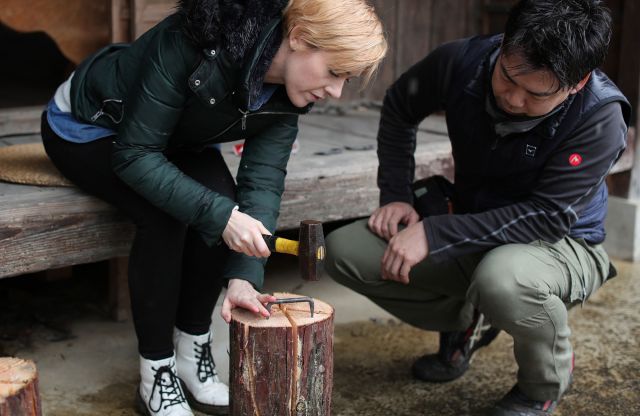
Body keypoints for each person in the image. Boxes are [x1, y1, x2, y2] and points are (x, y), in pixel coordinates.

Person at [40, 0, 386, 415]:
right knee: (167, 213)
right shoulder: (192, 39)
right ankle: (156, 373)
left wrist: (244, 274)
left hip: (171, 137)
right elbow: (134, 155)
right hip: (91, 125)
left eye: (345, 80)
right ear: (297, 39)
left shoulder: (291, 94)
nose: (335, 92)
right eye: (334, 73)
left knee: (218, 201)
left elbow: (262, 181)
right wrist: (221, 217)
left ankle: (192, 352)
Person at [325, 0, 629, 415]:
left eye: (536, 93)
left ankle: (541, 387)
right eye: (508, 77)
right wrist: (395, 193)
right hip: (470, 220)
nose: (514, 99)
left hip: (560, 242)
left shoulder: (600, 116)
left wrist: (434, 234)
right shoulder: (462, 61)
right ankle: (468, 321)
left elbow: (548, 216)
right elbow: (399, 106)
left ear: (577, 84)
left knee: (503, 280)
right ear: (503, 43)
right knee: (344, 252)